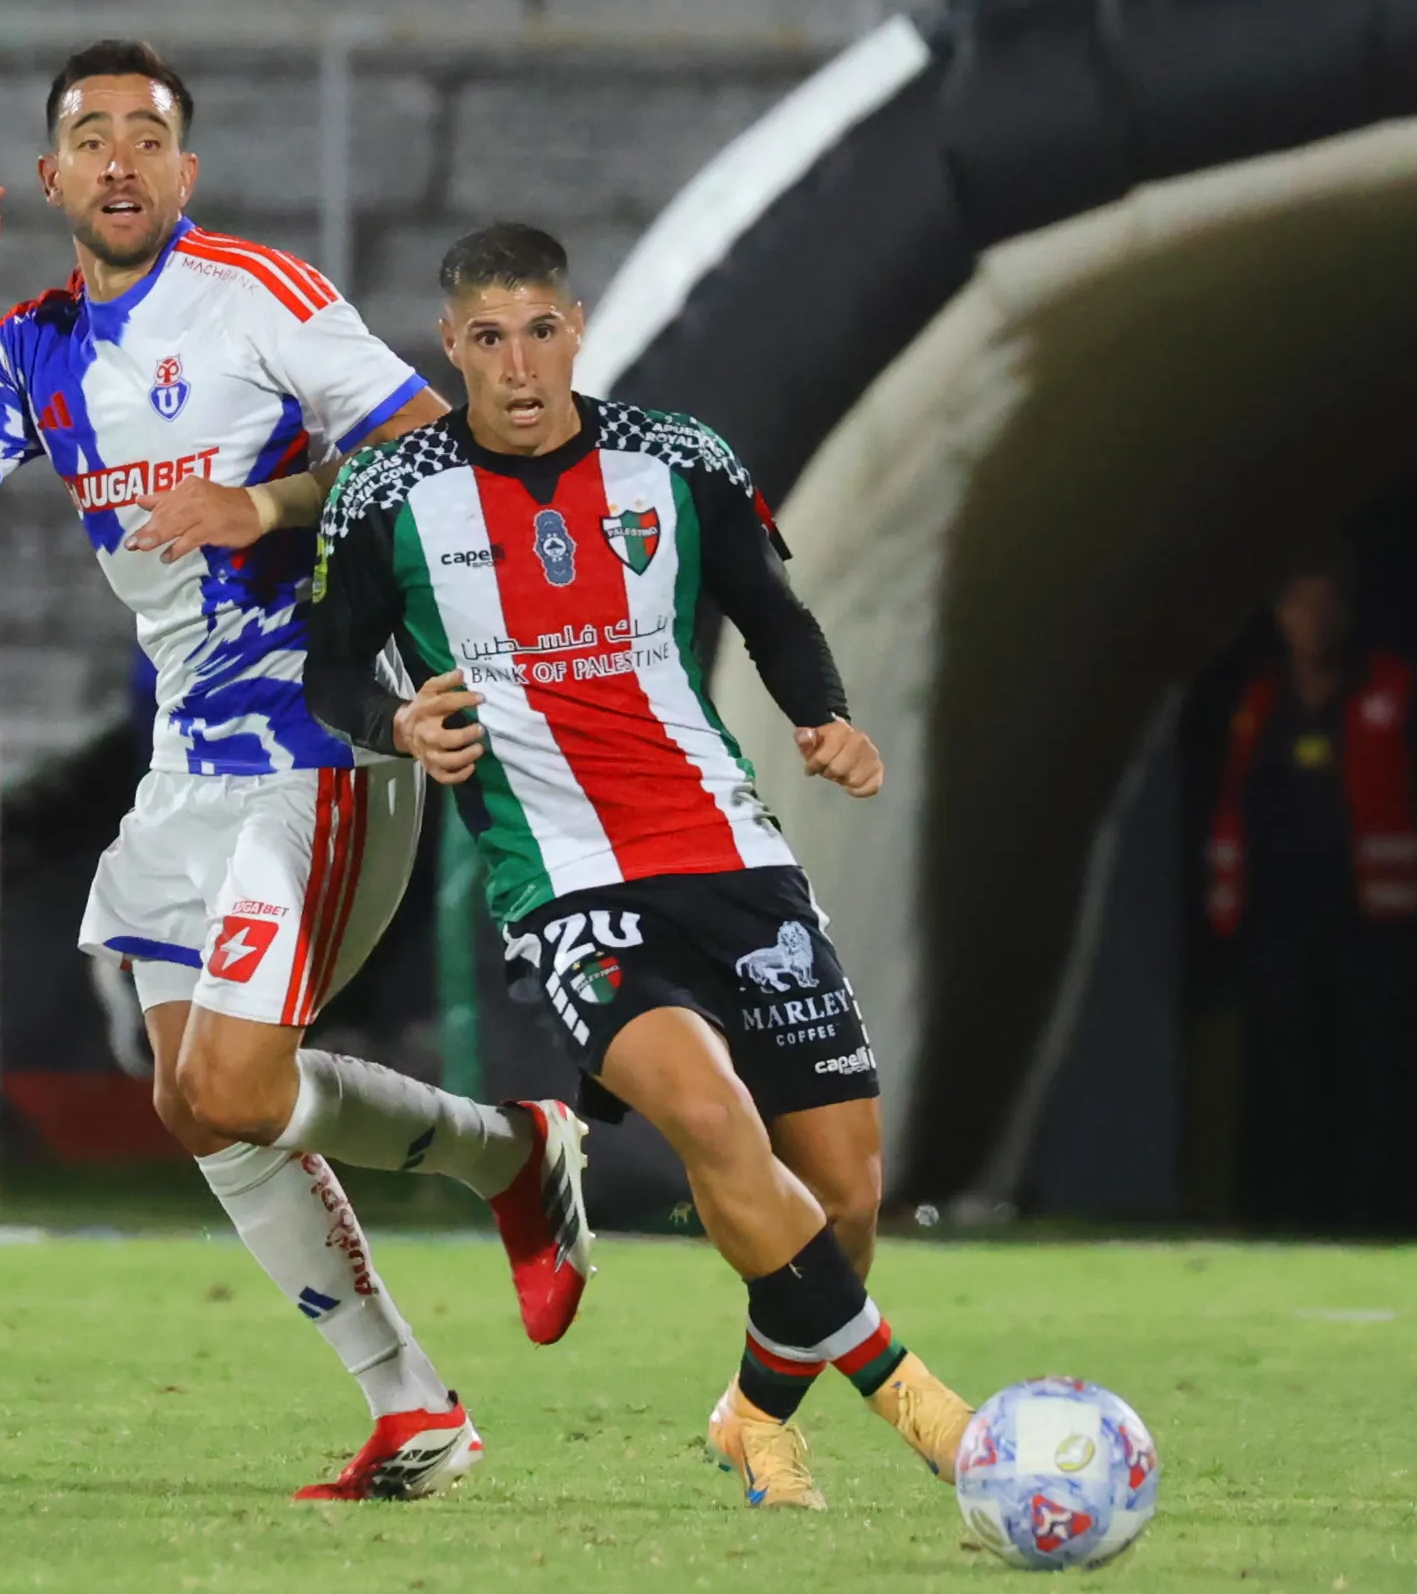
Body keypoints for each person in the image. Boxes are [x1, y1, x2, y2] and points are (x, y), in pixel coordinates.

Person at [0, 42, 592, 1502]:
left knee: (235, 1085)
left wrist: (266, 494)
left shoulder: (256, 295)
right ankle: (415, 1402)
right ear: (49, 176)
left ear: (187, 170)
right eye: (88, 135)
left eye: (147, 134)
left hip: (320, 733)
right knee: (194, 1103)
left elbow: (440, 451)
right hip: (188, 760)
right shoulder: (38, 347)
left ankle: (508, 1160)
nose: (118, 156)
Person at [305, 223, 972, 1510]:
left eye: (540, 330)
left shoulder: (678, 459)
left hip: (733, 853)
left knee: (843, 1186)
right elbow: (327, 664)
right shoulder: (384, 497)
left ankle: (751, 1416)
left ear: (578, 328)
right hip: (567, 884)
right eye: (487, 338)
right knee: (715, 1122)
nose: (517, 364)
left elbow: (772, 612)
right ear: (449, 348)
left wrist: (820, 715)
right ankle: (926, 1411)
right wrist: (392, 721)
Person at [1206, 545, 1417, 1230]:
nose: (1315, 618)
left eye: (1329, 601)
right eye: (1301, 603)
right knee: (1284, 1070)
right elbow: (1232, 802)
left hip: (1372, 919)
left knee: (1373, 1071)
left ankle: (1374, 1213)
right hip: (1279, 919)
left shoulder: (1391, 689)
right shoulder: (1258, 701)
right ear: (1280, 615)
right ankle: (1283, 1214)